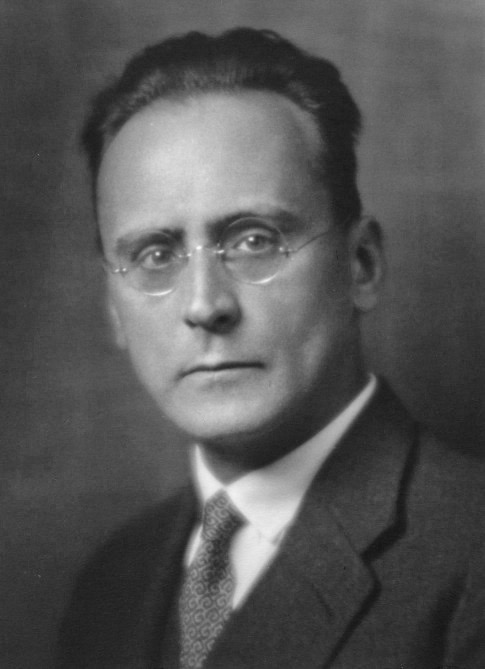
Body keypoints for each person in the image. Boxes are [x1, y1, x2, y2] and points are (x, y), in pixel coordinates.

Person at [58, 28, 485, 669]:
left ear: (361, 265)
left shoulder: (472, 553)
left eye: (254, 241)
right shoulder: (111, 582)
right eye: (155, 255)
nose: (205, 305)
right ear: (114, 309)